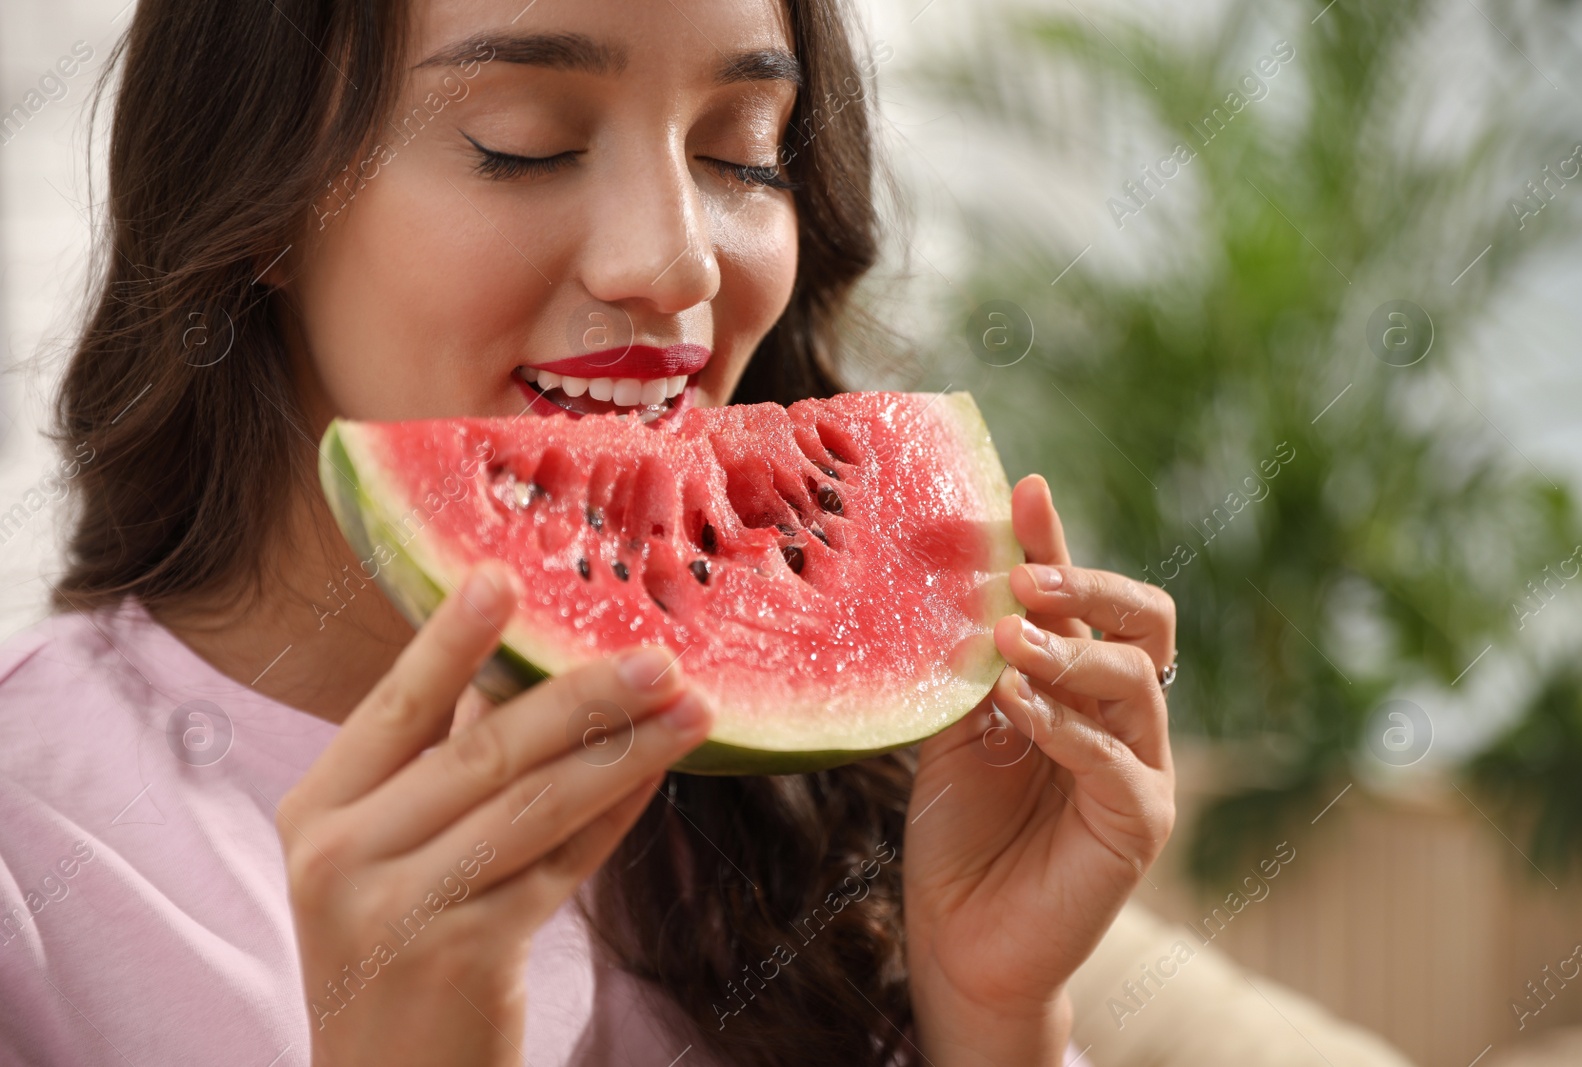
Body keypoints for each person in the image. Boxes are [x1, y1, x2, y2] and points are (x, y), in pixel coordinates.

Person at [0, 0, 1177, 1064]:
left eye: (740, 153)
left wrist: (991, 1014)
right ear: (257, 195)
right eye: (524, 143)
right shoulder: (28, 848)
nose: (671, 265)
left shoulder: (836, 804)